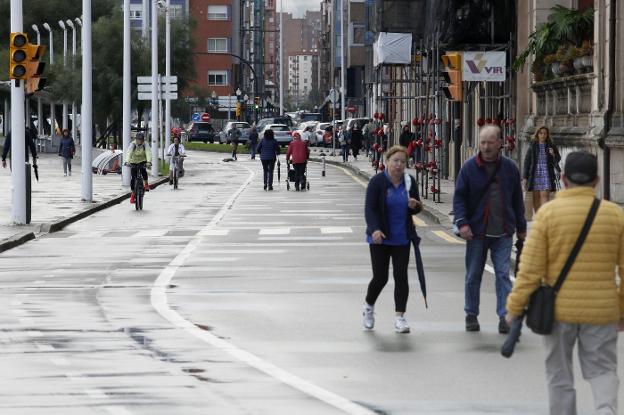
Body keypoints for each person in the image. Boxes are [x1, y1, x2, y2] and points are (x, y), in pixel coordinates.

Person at [506, 151, 624, 415]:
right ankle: (606, 410)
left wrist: (514, 308)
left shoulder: (548, 214)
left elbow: (530, 270)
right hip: (602, 310)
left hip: (559, 311)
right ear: (597, 180)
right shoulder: (615, 216)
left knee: (559, 375)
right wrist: (621, 308)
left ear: (563, 178)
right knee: (603, 369)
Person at [453, 125, 526, 333]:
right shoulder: (468, 168)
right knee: (474, 274)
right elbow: (459, 199)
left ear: (500, 143)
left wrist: (521, 227)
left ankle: (504, 316)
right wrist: (462, 223)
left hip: (503, 231)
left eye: (490, 142)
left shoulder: (510, 168)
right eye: (483, 142)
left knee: (503, 273)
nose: (486, 147)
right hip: (476, 231)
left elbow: (517, 200)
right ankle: (471, 314)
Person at [363, 145, 423, 333]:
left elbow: (417, 207)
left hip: (402, 237)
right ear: (387, 161)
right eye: (395, 160)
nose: (398, 165)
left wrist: (415, 205)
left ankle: (400, 317)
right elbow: (369, 209)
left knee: (401, 276)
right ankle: (368, 307)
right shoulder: (377, 182)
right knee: (380, 278)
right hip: (380, 237)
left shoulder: (409, 181)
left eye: (402, 162)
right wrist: (375, 230)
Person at [523, 126, 562, 213]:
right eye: (541, 133)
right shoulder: (532, 146)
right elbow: (527, 162)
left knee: (545, 195)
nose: (543, 135)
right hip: (534, 173)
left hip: (546, 173)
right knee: (536, 197)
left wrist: (553, 155)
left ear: (547, 135)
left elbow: (558, 159)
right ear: (537, 134)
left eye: (545, 133)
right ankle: (538, 216)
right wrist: (525, 177)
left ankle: (544, 216)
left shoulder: (551, 145)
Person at [124, 133, 152, 204]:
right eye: (138, 139)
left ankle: (146, 184)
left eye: (141, 140)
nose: (139, 141)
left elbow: (148, 152)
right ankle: (133, 194)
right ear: (136, 139)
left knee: (143, 171)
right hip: (133, 162)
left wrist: (148, 161)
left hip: (142, 161)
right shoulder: (132, 144)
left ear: (143, 140)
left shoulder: (145, 144)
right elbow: (129, 152)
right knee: (133, 179)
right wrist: (127, 161)